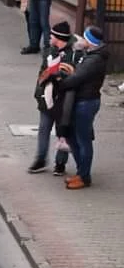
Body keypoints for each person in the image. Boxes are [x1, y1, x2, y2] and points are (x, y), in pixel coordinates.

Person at [56, 26, 108, 190]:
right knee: (73, 137)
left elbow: (76, 78)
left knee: (83, 140)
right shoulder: (92, 56)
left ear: (90, 42)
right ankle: (81, 173)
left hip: (86, 102)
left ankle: (84, 177)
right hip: (84, 100)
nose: (81, 40)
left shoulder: (94, 60)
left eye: (84, 38)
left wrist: (60, 81)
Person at [28, 21, 75, 176]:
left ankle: (60, 163)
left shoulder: (70, 55)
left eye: (52, 35)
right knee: (43, 129)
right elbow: (43, 72)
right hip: (46, 99)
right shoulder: (49, 51)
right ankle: (40, 159)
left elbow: (67, 76)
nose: (49, 36)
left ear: (58, 38)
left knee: (63, 131)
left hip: (61, 100)